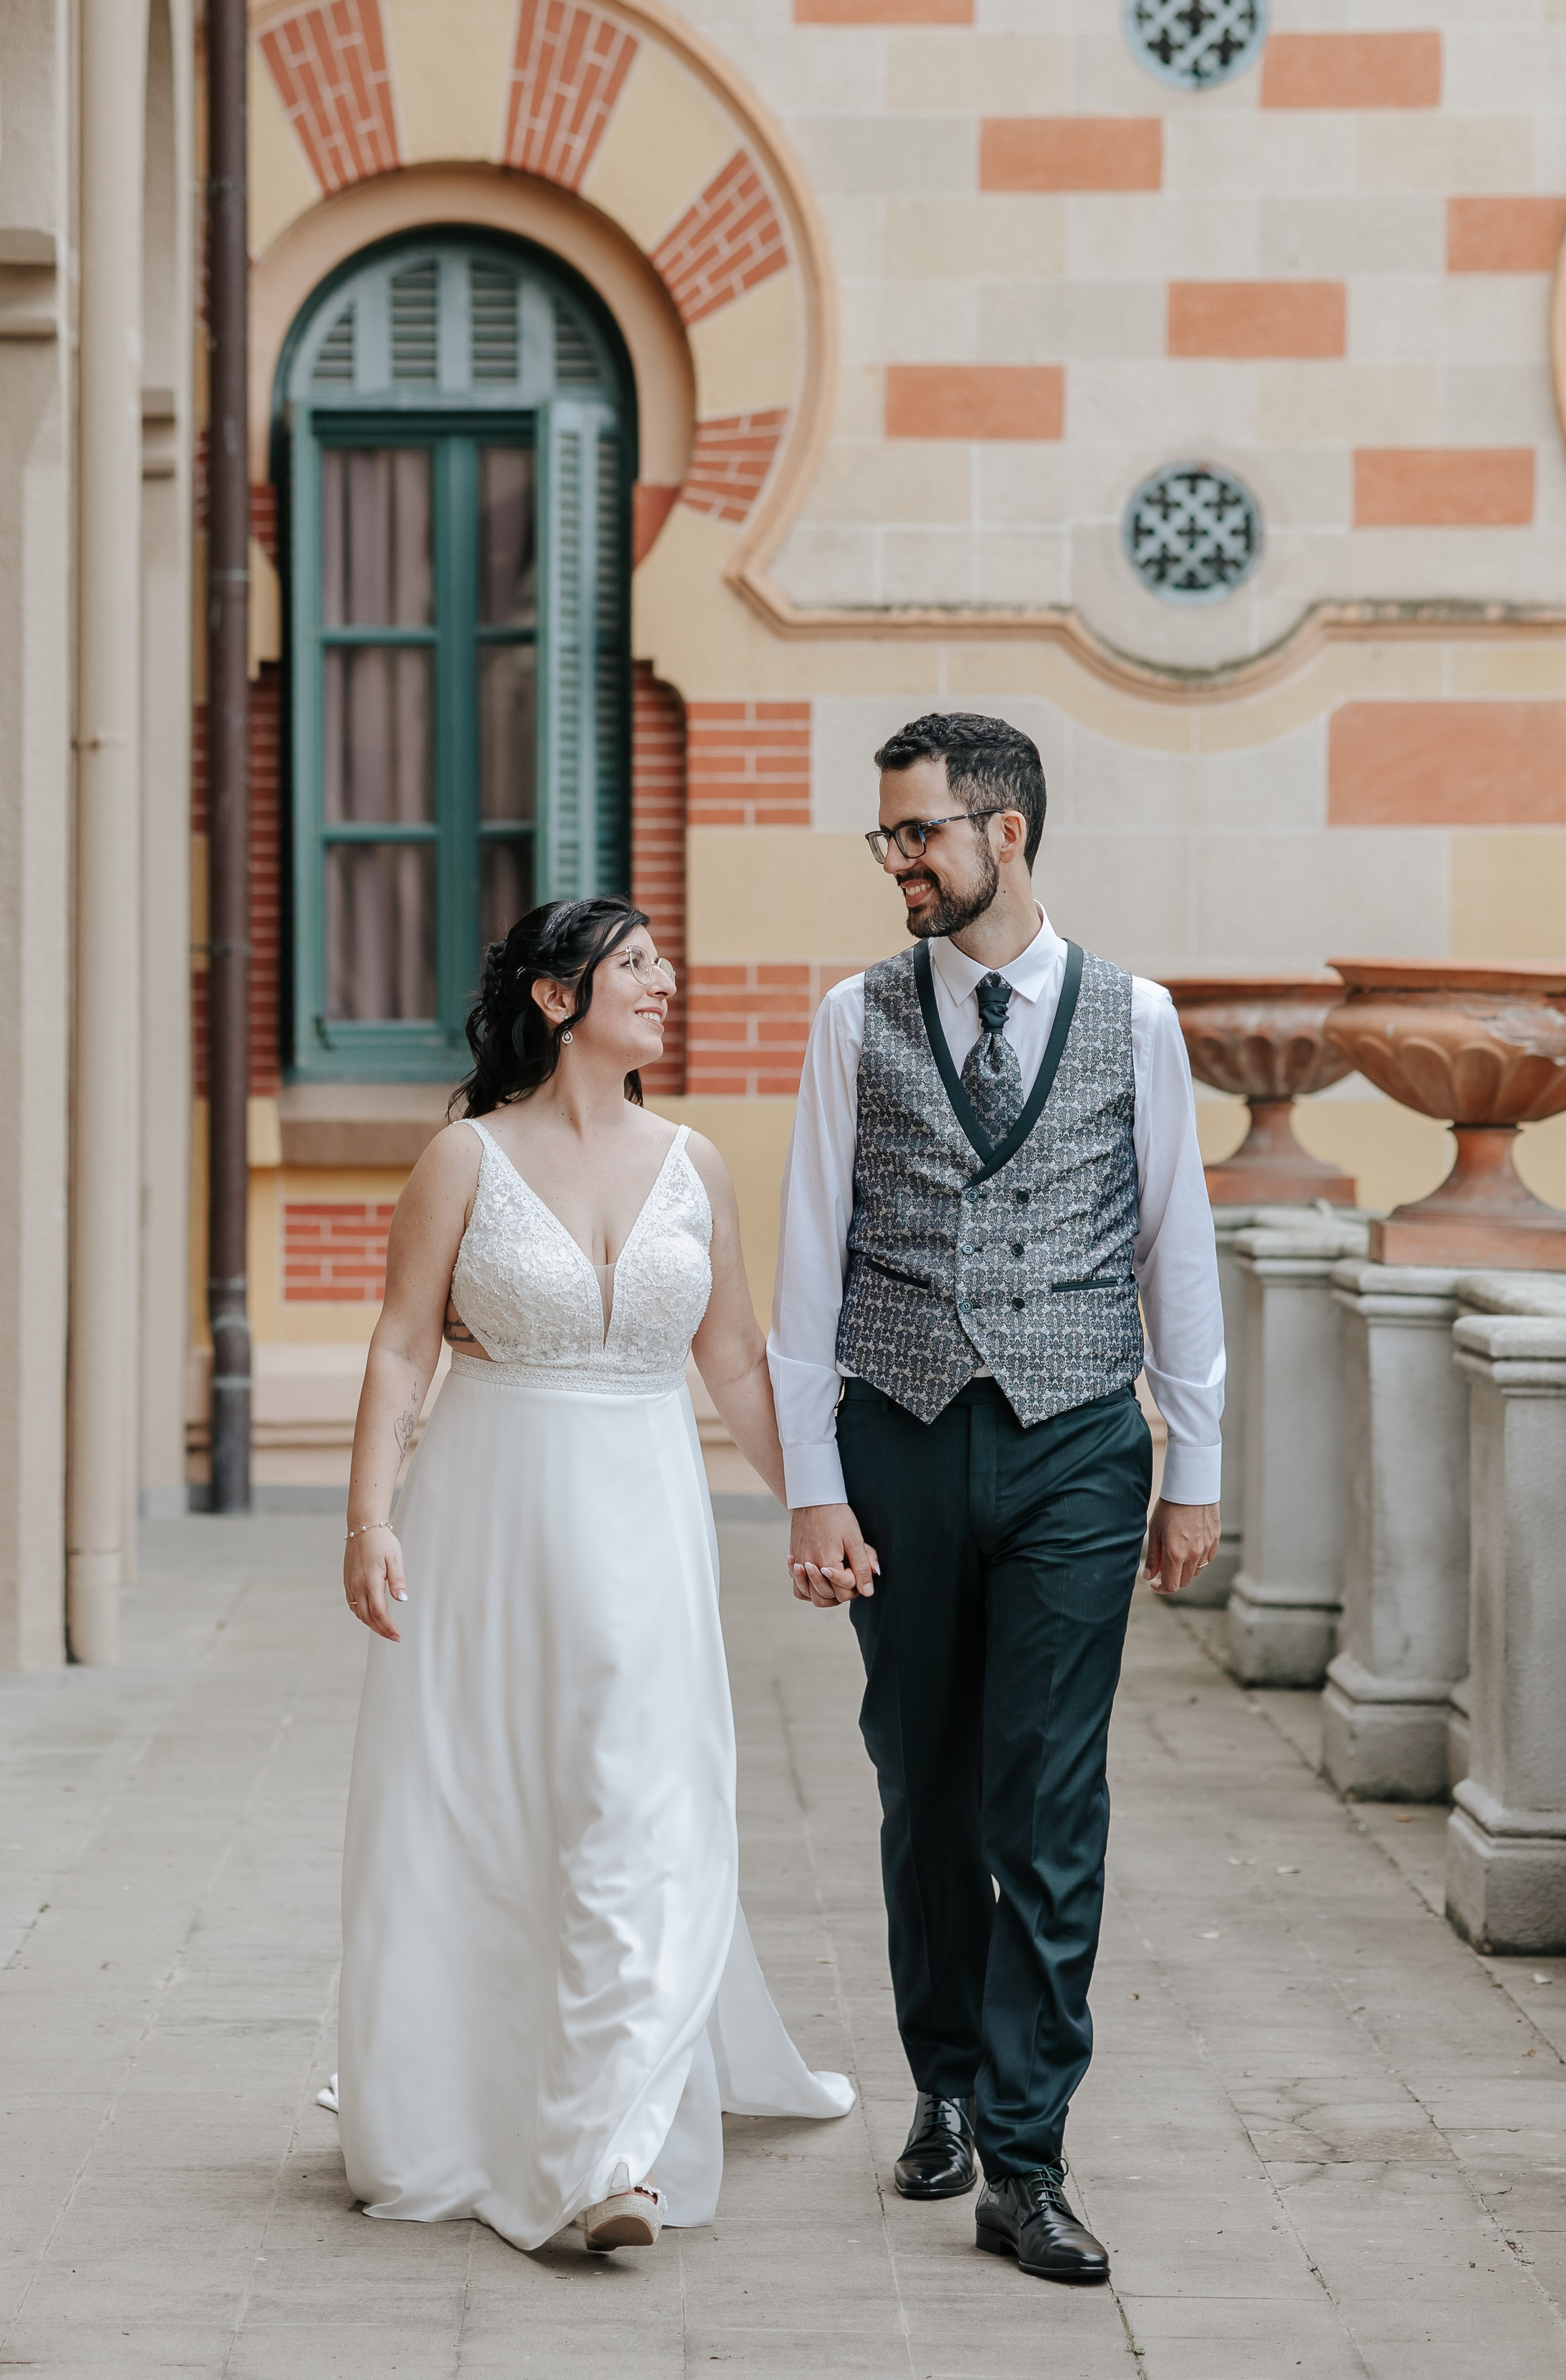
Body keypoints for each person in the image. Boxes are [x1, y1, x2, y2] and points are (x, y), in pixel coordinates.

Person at [769, 713, 1223, 2285]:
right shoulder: (853, 1018)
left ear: (1005, 830)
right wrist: (811, 1486)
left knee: (1047, 1799)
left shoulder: (1136, 1019)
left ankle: (1024, 2158)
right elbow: (805, 1263)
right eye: (885, 838)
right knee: (923, 1784)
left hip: (1077, 1446)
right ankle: (942, 2080)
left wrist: (1195, 1467)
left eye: (919, 835)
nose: (897, 861)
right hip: (896, 1437)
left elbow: (1177, 1246)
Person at [335, 896, 852, 2256]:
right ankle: (465, 2099)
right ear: (559, 999)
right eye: (634, 965)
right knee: (488, 1809)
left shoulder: (697, 1164)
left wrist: (817, 1504)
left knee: (642, 1804)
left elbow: (733, 1361)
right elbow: (402, 1349)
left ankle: (609, 2155)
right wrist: (366, 1520)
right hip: (485, 1523)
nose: (665, 982)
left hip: (646, 1529)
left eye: (662, 962)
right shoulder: (465, 1159)